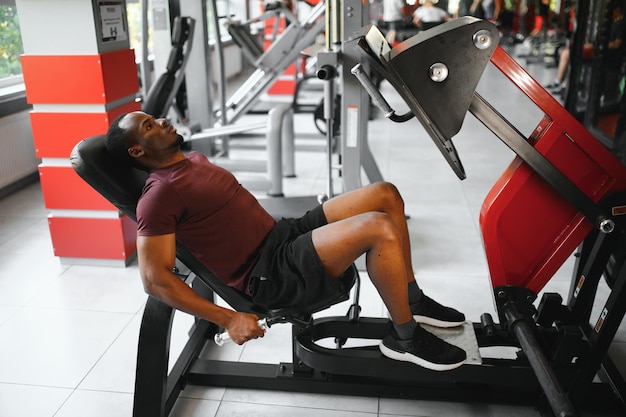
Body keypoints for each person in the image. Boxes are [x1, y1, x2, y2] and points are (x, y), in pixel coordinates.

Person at [104, 111, 467, 371]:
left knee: (385, 195)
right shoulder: (159, 195)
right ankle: (405, 339)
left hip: (282, 234)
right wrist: (228, 318)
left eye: (154, 116)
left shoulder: (192, 159)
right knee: (378, 226)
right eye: (149, 126)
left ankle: (412, 300)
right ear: (137, 151)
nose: (163, 120)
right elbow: (154, 279)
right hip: (271, 272)